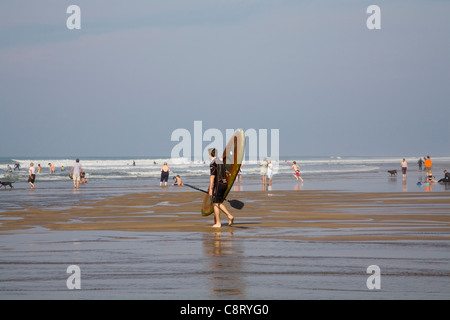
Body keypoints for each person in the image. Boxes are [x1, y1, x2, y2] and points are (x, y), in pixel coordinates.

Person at [208, 148, 234, 228]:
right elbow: (227, 172)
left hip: (218, 184)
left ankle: (218, 223)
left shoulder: (213, 163)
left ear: (209, 154)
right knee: (219, 202)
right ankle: (229, 216)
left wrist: (211, 189)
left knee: (215, 203)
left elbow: (212, 177)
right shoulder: (221, 161)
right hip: (224, 184)